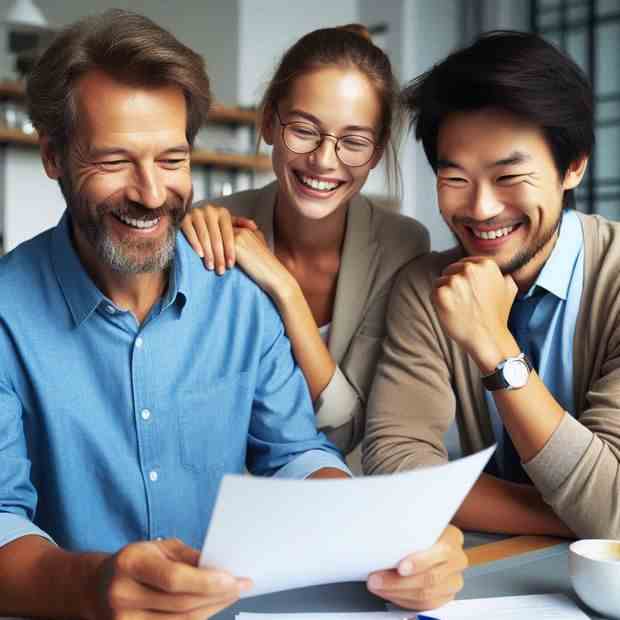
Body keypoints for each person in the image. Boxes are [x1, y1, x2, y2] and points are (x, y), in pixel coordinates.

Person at [0, 11, 466, 619]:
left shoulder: (242, 292)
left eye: (172, 160)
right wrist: (90, 586)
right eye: (114, 161)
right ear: (54, 157)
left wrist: (387, 542)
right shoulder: (8, 313)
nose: (149, 192)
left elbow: (295, 455)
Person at [364, 30, 620, 540]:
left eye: (508, 178)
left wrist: (494, 347)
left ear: (573, 166)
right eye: (455, 178)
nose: (480, 209)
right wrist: (578, 513)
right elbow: (395, 466)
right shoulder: (426, 286)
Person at [181, 25, 430, 460]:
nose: (323, 160)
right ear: (268, 123)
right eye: (303, 129)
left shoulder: (401, 246)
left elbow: (349, 427)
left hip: (347, 493)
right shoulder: (211, 227)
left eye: (353, 141)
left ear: (375, 152)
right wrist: (186, 229)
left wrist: (283, 288)